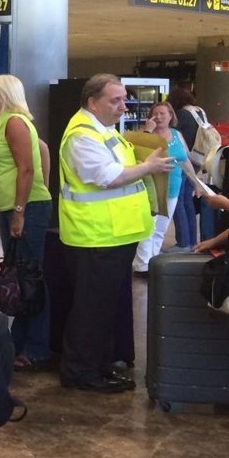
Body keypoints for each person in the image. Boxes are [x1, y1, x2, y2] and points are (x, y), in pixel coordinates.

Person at [58, 74, 173, 393]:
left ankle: (97, 365)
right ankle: (81, 373)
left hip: (113, 235)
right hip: (95, 237)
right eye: (116, 100)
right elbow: (107, 177)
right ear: (92, 102)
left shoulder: (104, 130)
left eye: (124, 99)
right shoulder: (82, 136)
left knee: (102, 309)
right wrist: (148, 167)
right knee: (91, 311)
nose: (124, 106)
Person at [0, 75, 53, 371]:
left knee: (30, 277)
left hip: (27, 207)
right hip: (15, 207)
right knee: (19, 277)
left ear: (3, 94)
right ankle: (19, 341)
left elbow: (26, 169)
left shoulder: (14, 123)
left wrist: (20, 211)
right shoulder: (1, 124)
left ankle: (36, 347)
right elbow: (41, 149)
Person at [133, 101, 199, 274]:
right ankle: (141, 265)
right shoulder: (145, 134)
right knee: (149, 227)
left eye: (163, 113)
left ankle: (153, 262)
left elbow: (185, 160)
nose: (159, 117)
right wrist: (148, 131)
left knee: (161, 229)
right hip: (152, 189)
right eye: (155, 113)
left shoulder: (177, 134)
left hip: (173, 188)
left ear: (171, 116)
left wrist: (196, 182)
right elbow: (138, 154)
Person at [168, 85, 207, 245]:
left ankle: (183, 241)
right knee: (187, 201)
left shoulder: (182, 114)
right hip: (197, 159)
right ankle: (191, 240)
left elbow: (172, 134)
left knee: (178, 202)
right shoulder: (200, 111)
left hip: (184, 159)